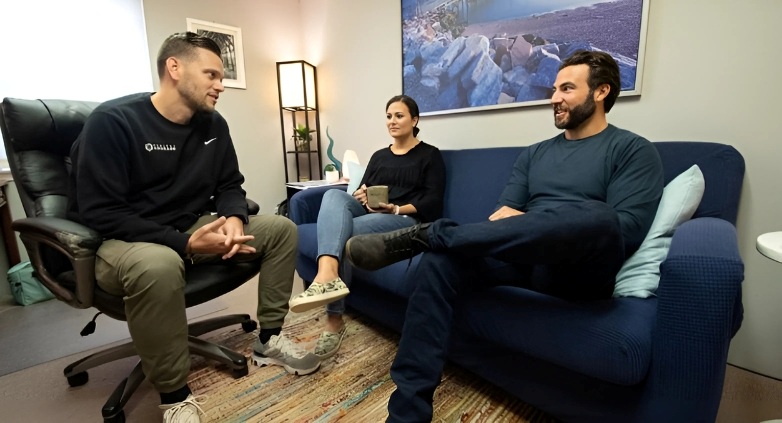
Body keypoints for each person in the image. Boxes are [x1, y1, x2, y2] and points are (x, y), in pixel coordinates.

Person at [345, 51, 665, 422]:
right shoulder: (535, 154)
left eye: (567, 88)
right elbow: (503, 217)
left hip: (578, 268)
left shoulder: (632, 150)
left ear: (601, 91)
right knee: (438, 264)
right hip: (521, 255)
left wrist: (549, 220)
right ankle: (406, 414)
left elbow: (623, 231)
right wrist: (527, 224)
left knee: (598, 215)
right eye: (555, 88)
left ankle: (430, 232)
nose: (554, 97)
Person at [67, 32, 319, 423]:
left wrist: (234, 218)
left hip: (188, 227)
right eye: (212, 75)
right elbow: (102, 212)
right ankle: (174, 396)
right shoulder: (113, 122)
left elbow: (229, 185)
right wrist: (185, 244)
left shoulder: (213, 125)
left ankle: (269, 339)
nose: (221, 85)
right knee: (159, 265)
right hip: (124, 239)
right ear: (174, 68)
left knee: (281, 229)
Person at [287, 95, 446, 358]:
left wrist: (395, 207)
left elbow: (432, 201)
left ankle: (334, 320)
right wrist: (362, 193)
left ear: (415, 120)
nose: (392, 121)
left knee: (345, 233)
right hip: (369, 212)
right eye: (388, 116)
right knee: (333, 196)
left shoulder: (430, 155)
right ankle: (327, 274)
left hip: (403, 218)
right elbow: (365, 187)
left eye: (399, 115)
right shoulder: (380, 155)